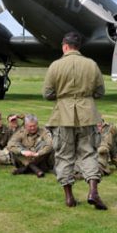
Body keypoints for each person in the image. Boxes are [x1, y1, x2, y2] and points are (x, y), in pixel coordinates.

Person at [44, 32, 107, 209]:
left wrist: (63, 96)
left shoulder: (55, 66)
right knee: (88, 153)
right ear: (78, 47)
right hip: (87, 115)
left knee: (64, 155)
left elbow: (47, 93)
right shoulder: (91, 64)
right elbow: (100, 91)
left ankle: (69, 196)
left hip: (62, 115)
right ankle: (93, 191)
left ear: (65, 46)